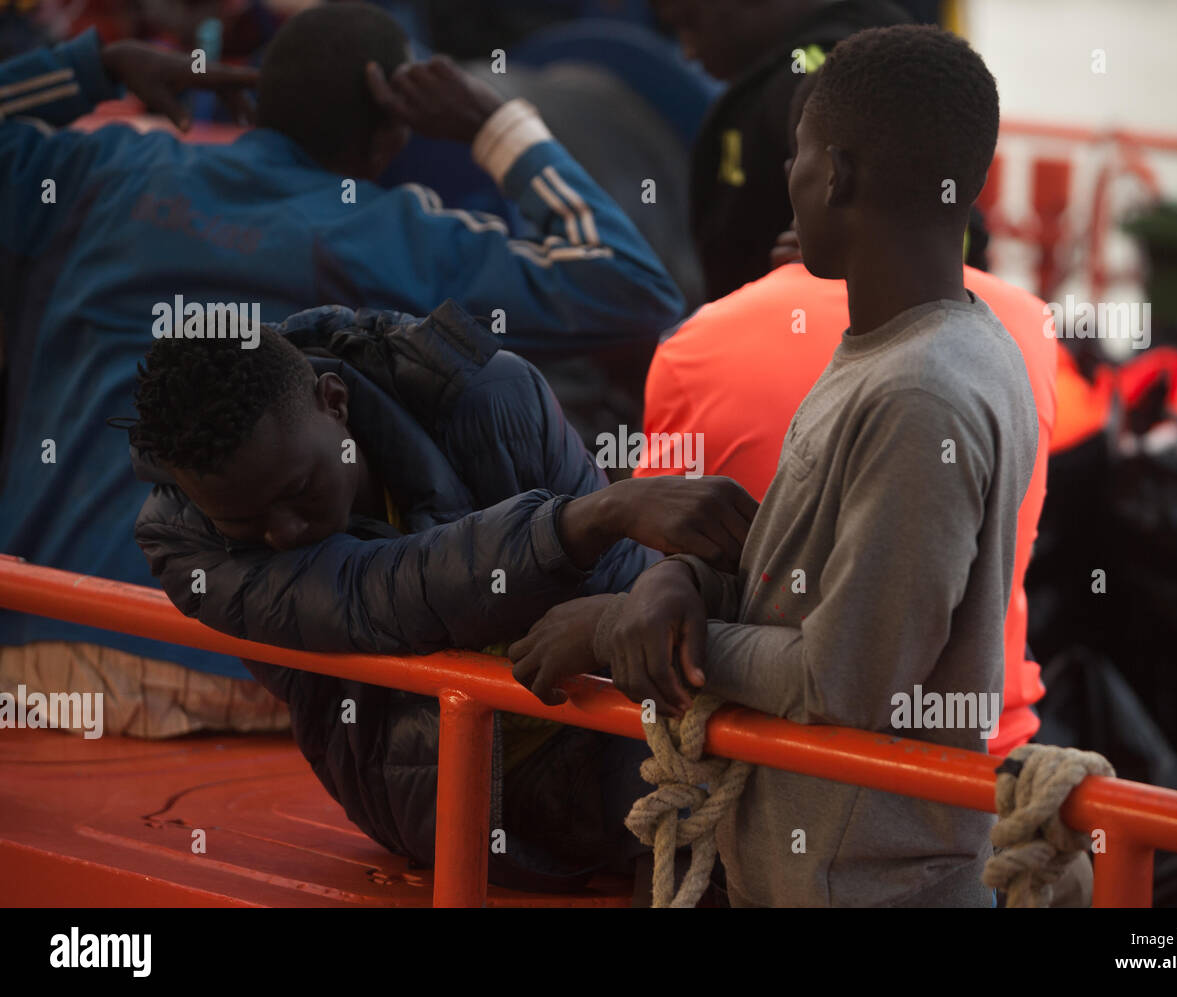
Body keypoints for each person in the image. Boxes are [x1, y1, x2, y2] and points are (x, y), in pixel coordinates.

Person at [0, 4, 683, 736]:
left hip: (42, 649)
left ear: (256, 95)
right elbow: (633, 286)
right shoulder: (389, 234)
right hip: (257, 679)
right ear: (393, 135)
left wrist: (89, 68)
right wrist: (497, 126)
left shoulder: (100, 168)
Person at [510, 25, 1036, 907]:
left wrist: (612, 629)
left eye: (797, 155)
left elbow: (847, 683)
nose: (787, 182)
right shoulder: (920, 343)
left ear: (836, 175)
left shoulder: (920, 394)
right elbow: (810, 588)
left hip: (861, 886)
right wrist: (677, 582)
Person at [129, 301, 755, 888]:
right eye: (248, 524)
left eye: (299, 489)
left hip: (601, 720)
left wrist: (656, 590)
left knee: (740, 721)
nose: (284, 533)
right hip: (445, 787)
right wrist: (583, 521)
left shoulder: (488, 393)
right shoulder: (183, 540)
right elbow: (377, 594)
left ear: (335, 401)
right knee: (718, 822)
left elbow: (622, 584)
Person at [631, 257, 1058, 755]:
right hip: (993, 753)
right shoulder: (1028, 323)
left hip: (791, 762)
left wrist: (611, 615)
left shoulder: (696, 343)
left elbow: (845, 677)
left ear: (833, 179)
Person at [653, 0, 909, 300]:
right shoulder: (890, 55)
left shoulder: (825, 85)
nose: (688, 52)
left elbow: (936, 222)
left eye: (690, 22)